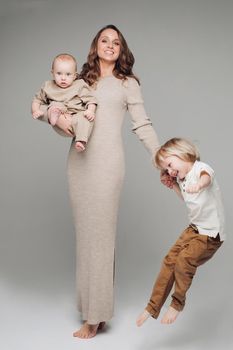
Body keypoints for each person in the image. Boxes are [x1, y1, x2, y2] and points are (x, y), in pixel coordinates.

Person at [36, 24, 160, 338]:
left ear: (122, 49)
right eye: (104, 40)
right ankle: (94, 310)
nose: (109, 45)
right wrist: (57, 117)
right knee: (86, 238)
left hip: (107, 165)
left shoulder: (127, 83)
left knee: (101, 239)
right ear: (96, 45)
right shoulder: (79, 80)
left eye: (115, 42)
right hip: (79, 164)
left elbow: (142, 124)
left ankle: (95, 317)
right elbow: (54, 111)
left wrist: (160, 155)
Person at [136, 137, 225, 326]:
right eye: (166, 169)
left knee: (184, 261)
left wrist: (199, 184)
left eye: (169, 164)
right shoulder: (182, 179)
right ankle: (153, 306)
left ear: (182, 153)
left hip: (210, 234)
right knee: (169, 260)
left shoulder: (200, 168)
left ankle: (177, 303)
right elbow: (186, 199)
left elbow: (206, 177)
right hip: (194, 229)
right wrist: (175, 185)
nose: (169, 171)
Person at [31, 53, 97, 151]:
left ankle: (81, 141)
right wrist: (35, 110)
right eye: (59, 73)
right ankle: (54, 113)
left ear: (75, 76)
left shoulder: (79, 85)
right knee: (55, 104)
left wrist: (90, 111)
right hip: (59, 123)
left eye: (68, 74)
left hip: (75, 118)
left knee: (85, 118)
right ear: (52, 73)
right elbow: (37, 100)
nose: (63, 78)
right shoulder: (48, 86)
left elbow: (91, 100)